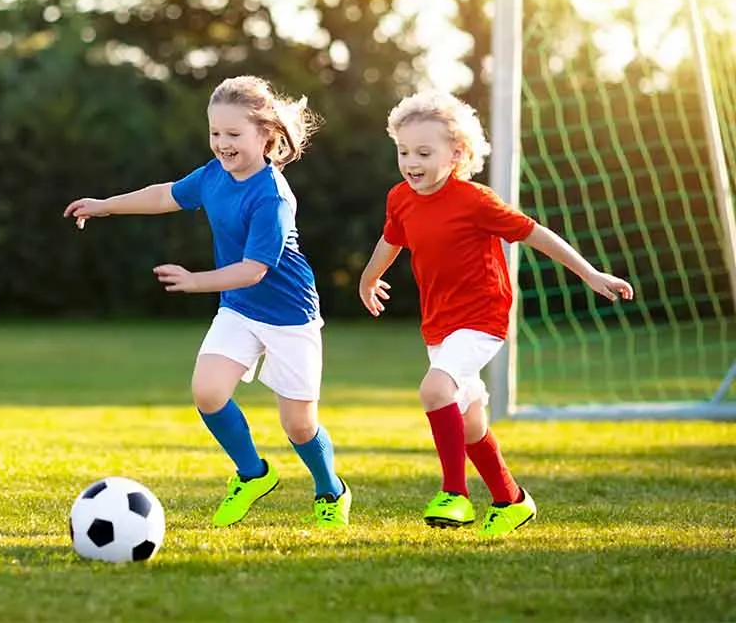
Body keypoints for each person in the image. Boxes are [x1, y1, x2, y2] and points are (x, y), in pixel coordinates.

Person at [64, 76, 351, 528]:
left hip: (289, 316)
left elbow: (255, 269)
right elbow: (165, 194)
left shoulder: (272, 197)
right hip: (240, 308)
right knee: (208, 391)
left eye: (233, 134)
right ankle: (253, 474)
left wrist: (196, 281)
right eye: (215, 132)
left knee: (298, 426)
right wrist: (104, 206)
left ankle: (330, 490)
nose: (222, 143)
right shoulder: (214, 176)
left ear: (267, 136)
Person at [358, 90, 634, 538]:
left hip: (482, 317)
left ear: (457, 153)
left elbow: (535, 234)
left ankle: (455, 495)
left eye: (424, 152)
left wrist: (589, 273)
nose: (411, 161)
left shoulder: (475, 200)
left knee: (434, 389)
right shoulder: (400, 198)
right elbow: (391, 240)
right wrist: (368, 279)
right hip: (439, 324)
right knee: (468, 422)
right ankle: (512, 500)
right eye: (404, 151)